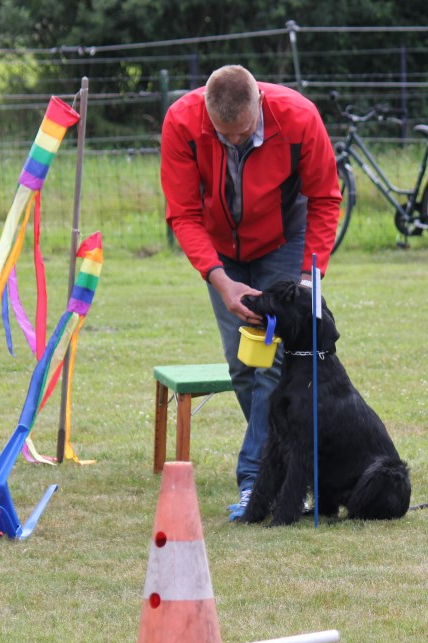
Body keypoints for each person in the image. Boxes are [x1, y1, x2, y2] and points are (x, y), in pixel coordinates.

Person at [160, 65, 341, 520]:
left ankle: (256, 481)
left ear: (259, 101)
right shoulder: (181, 123)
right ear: (206, 113)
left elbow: (325, 198)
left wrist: (306, 281)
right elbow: (182, 213)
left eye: (243, 133)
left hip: (285, 243)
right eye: (225, 137)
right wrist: (220, 280)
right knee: (243, 365)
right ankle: (284, 465)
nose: (236, 143)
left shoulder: (299, 117)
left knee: (273, 363)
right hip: (224, 255)